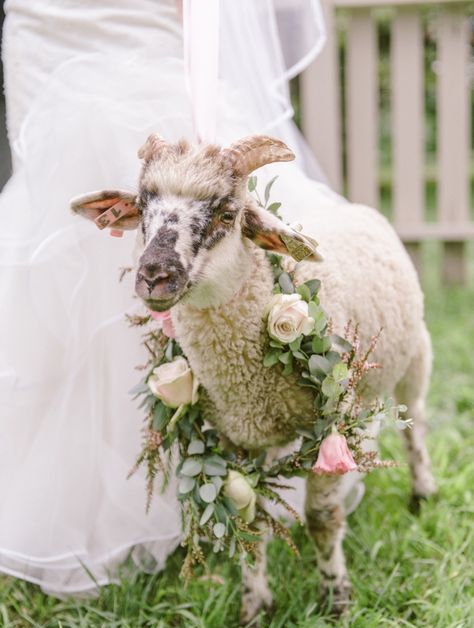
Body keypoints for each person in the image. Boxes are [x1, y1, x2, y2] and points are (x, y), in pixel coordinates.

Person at [0, 0, 361, 595]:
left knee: (184, 219)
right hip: (41, 31)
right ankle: (81, 498)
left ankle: (205, 476)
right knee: (62, 253)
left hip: (146, 32)